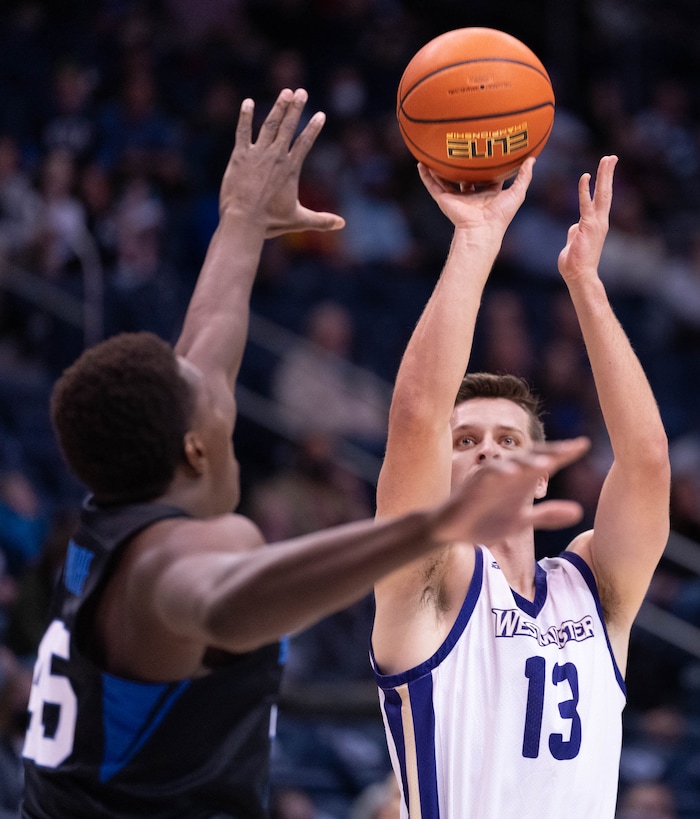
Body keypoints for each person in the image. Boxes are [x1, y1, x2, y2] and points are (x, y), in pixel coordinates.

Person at [19, 89, 589, 819]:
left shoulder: (121, 511)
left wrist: (243, 220)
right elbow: (229, 600)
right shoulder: (168, 568)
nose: (217, 377)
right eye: (212, 394)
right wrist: (433, 526)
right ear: (195, 448)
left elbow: (208, 340)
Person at [370, 155, 671, 819]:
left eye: (510, 440)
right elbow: (418, 414)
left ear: (540, 479)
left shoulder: (594, 585)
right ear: (437, 475)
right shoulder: (431, 584)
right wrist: (476, 241)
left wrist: (585, 284)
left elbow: (647, 460)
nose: (487, 451)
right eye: (466, 440)